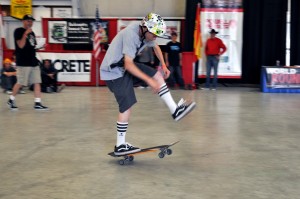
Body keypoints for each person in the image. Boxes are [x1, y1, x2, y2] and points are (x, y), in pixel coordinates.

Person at [100, 13, 196, 156]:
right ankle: (120, 145)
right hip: (113, 73)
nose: (155, 37)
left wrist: (163, 65)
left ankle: (175, 110)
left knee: (157, 75)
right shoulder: (131, 34)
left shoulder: (146, 34)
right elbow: (128, 64)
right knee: (126, 106)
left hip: (123, 67)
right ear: (146, 28)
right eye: (155, 34)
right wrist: (149, 81)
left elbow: (156, 47)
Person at [7, 14, 49, 110]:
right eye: (28, 21)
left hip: (33, 61)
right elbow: (20, 45)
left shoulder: (32, 33)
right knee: (21, 82)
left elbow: (32, 47)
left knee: (37, 81)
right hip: (23, 62)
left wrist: (40, 46)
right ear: (23, 21)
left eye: (31, 21)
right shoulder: (18, 31)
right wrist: (25, 34)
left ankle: (37, 103)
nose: (30, 23)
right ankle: (11, 99)